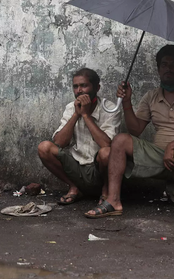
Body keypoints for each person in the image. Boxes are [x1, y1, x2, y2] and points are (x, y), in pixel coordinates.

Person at [85, 45, 174, 227]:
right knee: (120, 140)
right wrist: (127, 102)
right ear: (158, 69)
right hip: (159, 156)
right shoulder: (151, 96)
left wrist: (173, 145)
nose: (168, 68)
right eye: (164, 65)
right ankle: (113, 201)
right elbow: (135, 130)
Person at [38, 68, 121, 205]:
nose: (79, 91)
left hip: (99, 169)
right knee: (44, 147)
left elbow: (107, 145)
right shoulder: (71, 107)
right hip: (76, 167)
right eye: (75, 87)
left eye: (84, 85)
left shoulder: (109, 108)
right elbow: (58, 143)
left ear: (97, 87)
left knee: (107, 153)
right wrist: (76, 114)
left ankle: (106, 191)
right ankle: (74, 188)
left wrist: (86, 115)